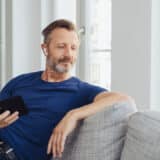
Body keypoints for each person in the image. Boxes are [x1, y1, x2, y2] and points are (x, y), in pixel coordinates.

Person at [0, 19, 134, 160]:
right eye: (61, 46)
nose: (68, 54)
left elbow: (124, 99)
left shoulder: (81, 91)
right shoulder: (20, 82)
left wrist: (73, 115)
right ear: (45, 49)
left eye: (73, 48)